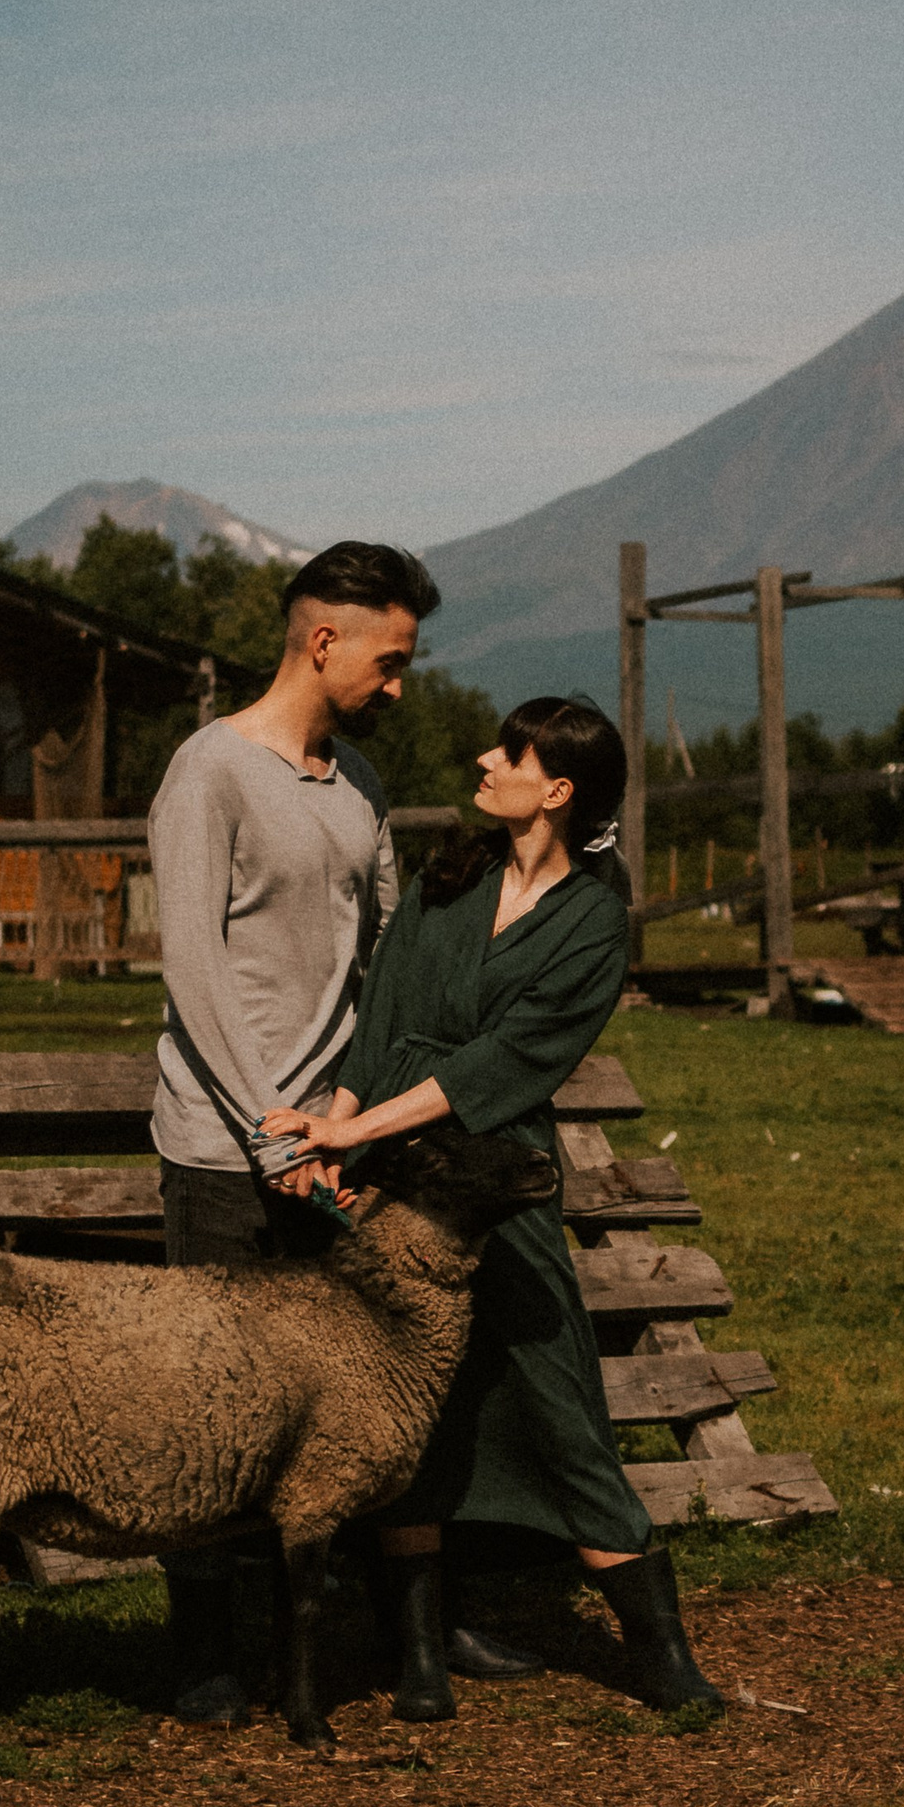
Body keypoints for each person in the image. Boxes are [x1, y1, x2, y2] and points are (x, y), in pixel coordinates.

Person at [260, 695, 723, 1722]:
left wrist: (361, 1126)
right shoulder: (453, 874)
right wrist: (340, 1128)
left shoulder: (597, 915)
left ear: (556, 788)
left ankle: (657, 1652)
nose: (483, 758)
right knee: (409, 1407)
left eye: (506, 751)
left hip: (491, 1173)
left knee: (560, 1402)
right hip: (391, 1172)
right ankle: (418, 1655)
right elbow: (382, 1015)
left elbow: (503, 1063)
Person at [146, 537, 436, 1721]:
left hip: (335, 1149)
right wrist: (271, 1135)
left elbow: (387, 963)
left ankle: (335, 1636)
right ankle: (207, 1651)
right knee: (211, 1410)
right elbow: (194, 961)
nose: (400, 683)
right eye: (392, 657)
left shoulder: (358, 786)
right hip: (225, 1154)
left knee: (346, 1405)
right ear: (324, 640)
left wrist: (347, 1114)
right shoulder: (205, 773)